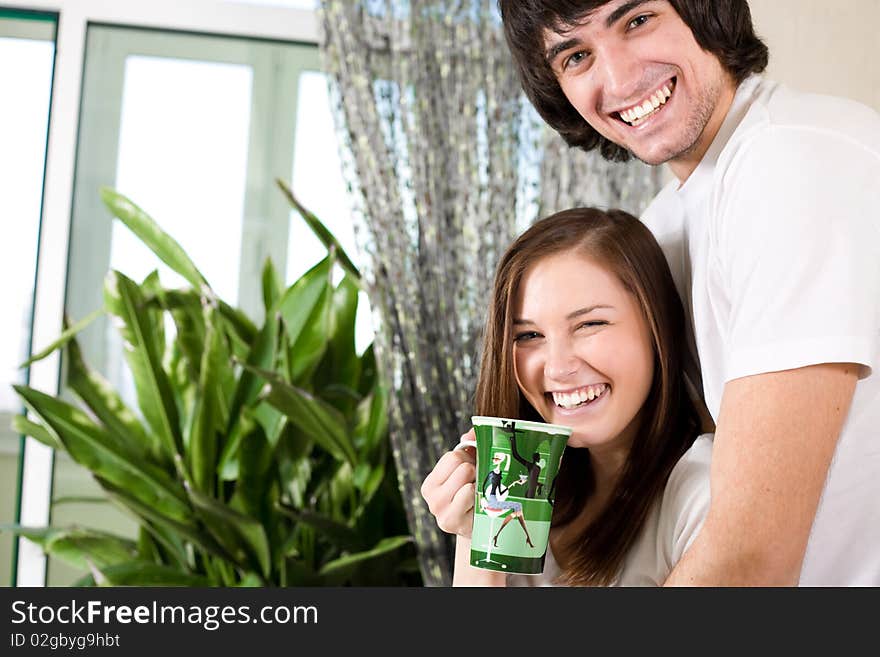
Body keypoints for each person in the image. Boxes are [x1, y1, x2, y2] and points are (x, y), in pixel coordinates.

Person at [497, 0, 880, 585]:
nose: (620, 80)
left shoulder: (792, 161)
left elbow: (748, 559)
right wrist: (488, 526)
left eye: (637, 20)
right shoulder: (664, 227)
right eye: (576, 55)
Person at [421, 208, 712, 586]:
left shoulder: (700, 491)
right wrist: (475, 536)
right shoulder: (527, 496)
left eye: (590, 324)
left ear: (657, 325)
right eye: (529, 335)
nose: (557, 368)